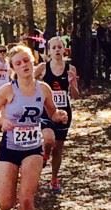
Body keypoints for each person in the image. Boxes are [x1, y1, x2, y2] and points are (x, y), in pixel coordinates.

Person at [0, 45, 68, 210]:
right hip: (10, 147)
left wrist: (59, 116)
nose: (24, 66)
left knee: (27, 197)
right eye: (18, 63)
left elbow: (51, 112)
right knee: (5, 203)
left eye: (26, 61)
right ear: (13, 68)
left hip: (33, 147)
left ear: (32, 61)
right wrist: (1, 122)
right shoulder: (8, 90)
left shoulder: (43, 89)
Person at [34, 36, 79, 193]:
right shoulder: (42, 68)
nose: (57, 50)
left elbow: (76, 95)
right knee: (48, 139)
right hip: (46, 111)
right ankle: (45, 155)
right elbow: (28, 83)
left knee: (58, 149)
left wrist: (72, 83)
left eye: (60, 47)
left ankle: (54, 180)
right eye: (54, 48)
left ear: (64, 50)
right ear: (49, 51)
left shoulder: (70, 69)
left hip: (64, 113)